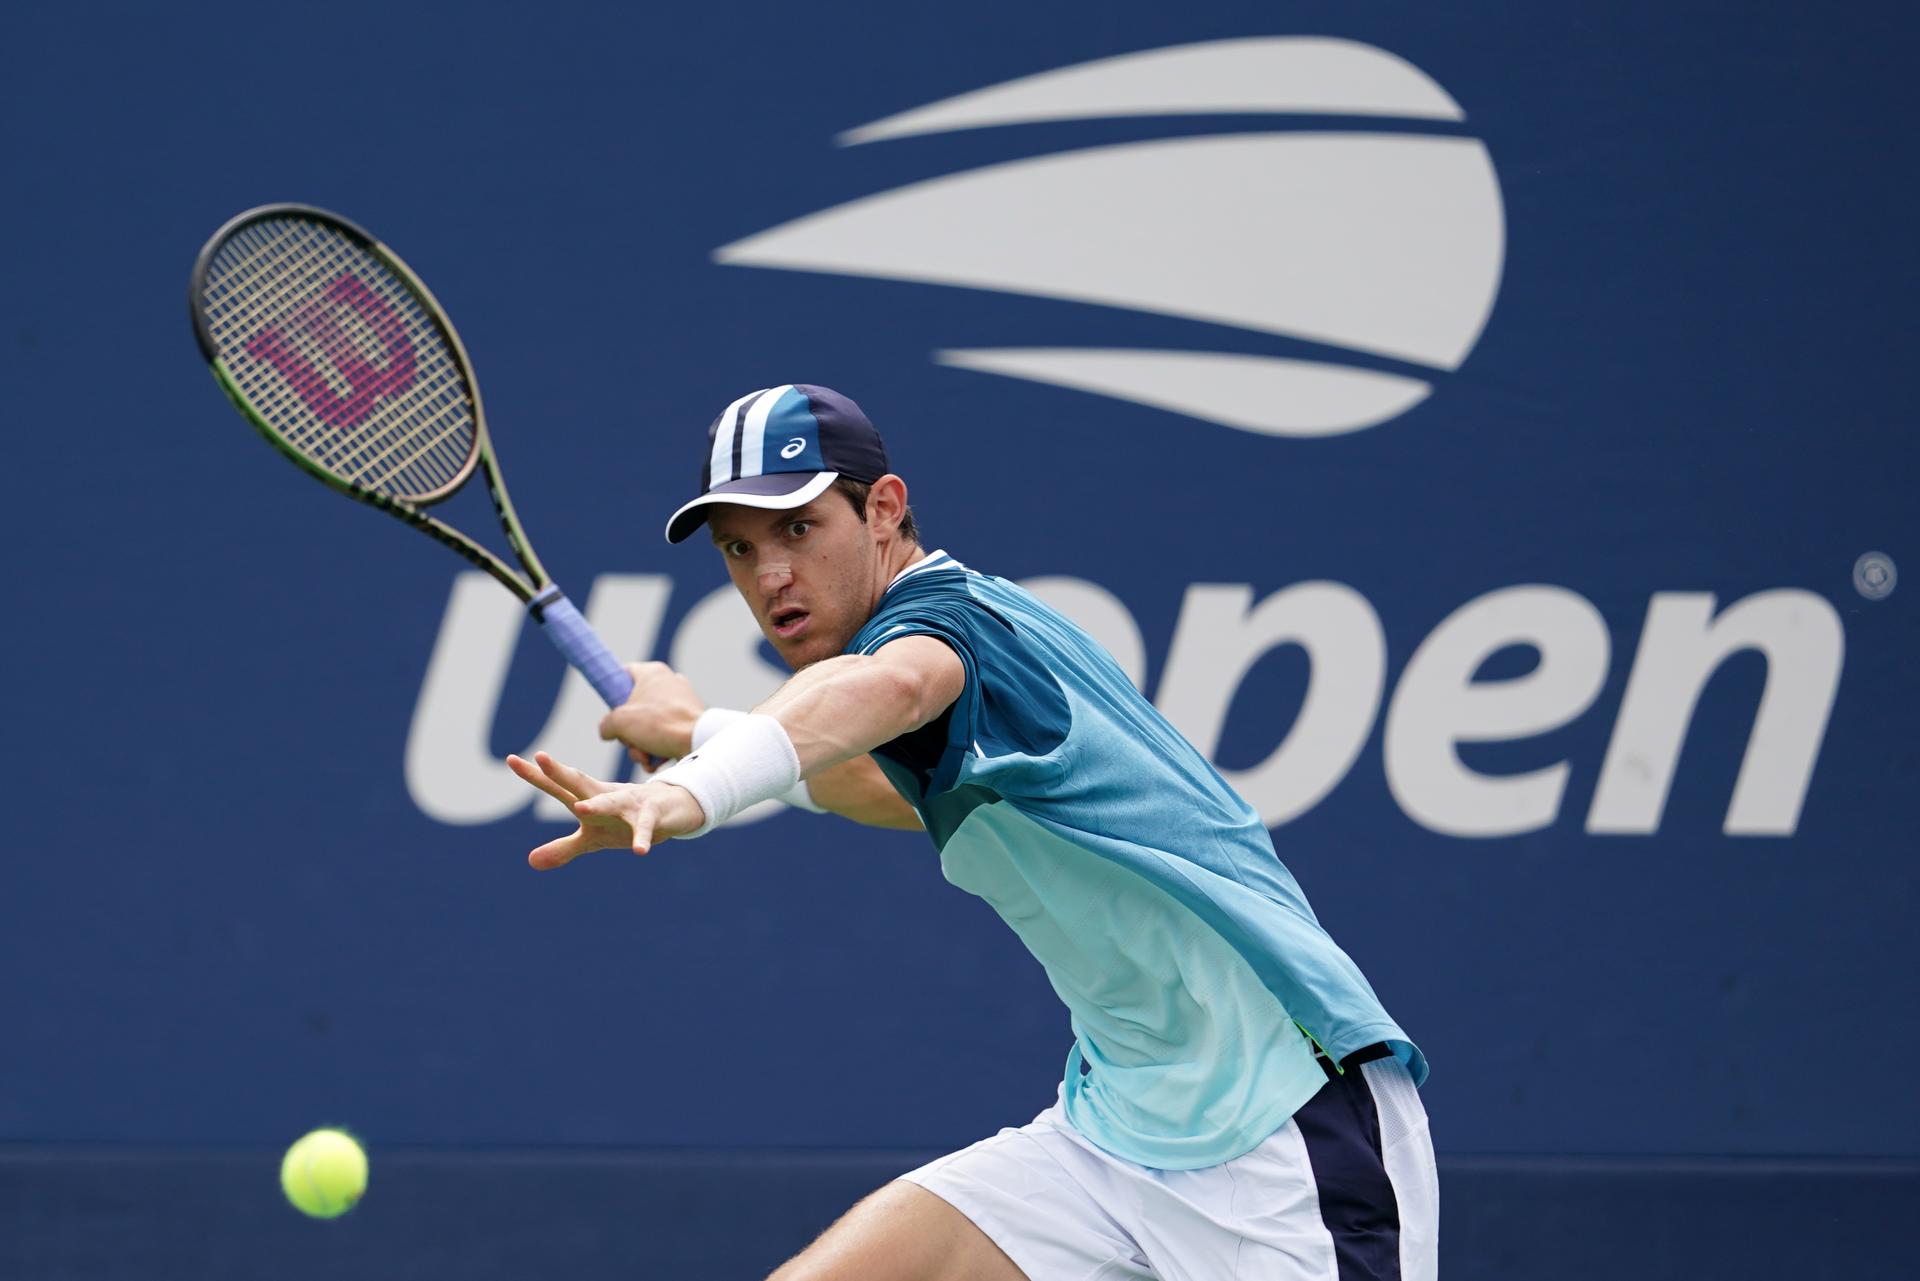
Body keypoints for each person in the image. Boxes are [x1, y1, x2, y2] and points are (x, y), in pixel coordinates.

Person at [507, 384, 1437, 1281]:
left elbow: (890, 688)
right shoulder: (959, 681)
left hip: (1285, 1124)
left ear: (883, 509)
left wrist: (688, 793)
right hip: (1117, 1132)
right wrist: (699, 728)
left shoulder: (950, 626)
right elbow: (878, 785)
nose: (772, 574)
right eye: (740, 549)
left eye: (798, 527)